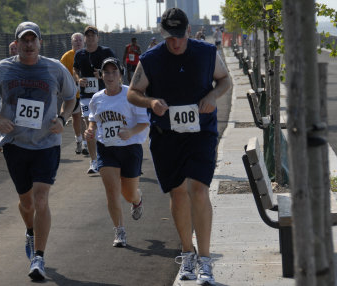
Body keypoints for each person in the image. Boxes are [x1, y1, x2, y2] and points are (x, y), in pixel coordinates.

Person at [127, 8, 231, 286]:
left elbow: (225, 81)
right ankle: (187, 253)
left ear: (188, 31)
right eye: (170, 37)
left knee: (198, 189)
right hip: (166, 135)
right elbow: (133, 92)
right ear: (164, 34)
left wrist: (212, 95)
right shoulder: (151, 59)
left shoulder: (206, 53)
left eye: (180, 36)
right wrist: (151, 103)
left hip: (201, 132)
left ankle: (205, 261)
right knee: (178, 193)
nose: (176, 43)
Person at [0, 21, 77, 281]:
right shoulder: (2, 69)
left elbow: (71, 96)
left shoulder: (54, 68)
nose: (29, 44)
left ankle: (39, 257)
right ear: (17, 43)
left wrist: (63, 119)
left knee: (41, 198)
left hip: (46, 143)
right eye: (25, 40)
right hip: (15, 144)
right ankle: (31, 230)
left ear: (40, 42)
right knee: (26, 202)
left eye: (33, 40)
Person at [85, 57, 149, 247]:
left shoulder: (131, 94)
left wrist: (130, 132)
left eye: (114, 72)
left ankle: (137, 200)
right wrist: (90, 129)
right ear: (101, 75)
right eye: (106, 72)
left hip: (130, 149)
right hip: (107, 149)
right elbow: (93, 119)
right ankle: (119, 231)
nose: (110, 76)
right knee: (112, 192)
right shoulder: (97, 98)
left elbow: (144, 122)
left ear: (120, 74)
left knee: (128, 194)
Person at [73, 25, 116, 174]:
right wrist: (79, 80)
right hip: (86, 97)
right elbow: (75, 69)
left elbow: (117, 69)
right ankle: (94, 162)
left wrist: (103, 74)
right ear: (85, 38)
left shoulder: (106, 52)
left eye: (93, 35)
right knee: (89, 126)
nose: (90, 38)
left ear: (98, 37)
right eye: (88, 36)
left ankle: (114, 157)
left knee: (107, 125)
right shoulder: (79, 54)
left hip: (105, 95)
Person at [60, 32, 88, 155]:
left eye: (80, 40)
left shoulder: (88, 55)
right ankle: (79, 140)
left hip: (87, 93)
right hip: (72, 94)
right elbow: (61, 74)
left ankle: (86, 143)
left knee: (85, 117)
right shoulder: (66, 57)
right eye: (75, 40)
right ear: (71, 43)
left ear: (84, 42)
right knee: (76, 117)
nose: (77, 42)